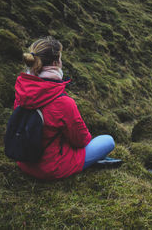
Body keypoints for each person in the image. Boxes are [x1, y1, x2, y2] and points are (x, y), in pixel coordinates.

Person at [13, 36, 115, 179]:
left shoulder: (22, 89)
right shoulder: (63, 101)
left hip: (24, 162)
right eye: (60, 59)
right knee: (108, 141)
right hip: (52, 168)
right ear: (55, 63)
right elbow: (81, 140)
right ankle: (91, 161)